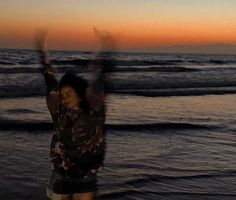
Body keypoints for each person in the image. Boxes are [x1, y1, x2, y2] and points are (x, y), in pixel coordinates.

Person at [36, 34, 111, 200]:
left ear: (79, 94)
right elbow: (50, 80)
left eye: (69, 94)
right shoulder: (59, 111)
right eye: (62, 96)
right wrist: (44, 52)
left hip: (86, 174)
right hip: (61, 172)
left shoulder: (94, 113)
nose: (65, 99)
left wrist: (104, 46)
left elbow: (100, 78)